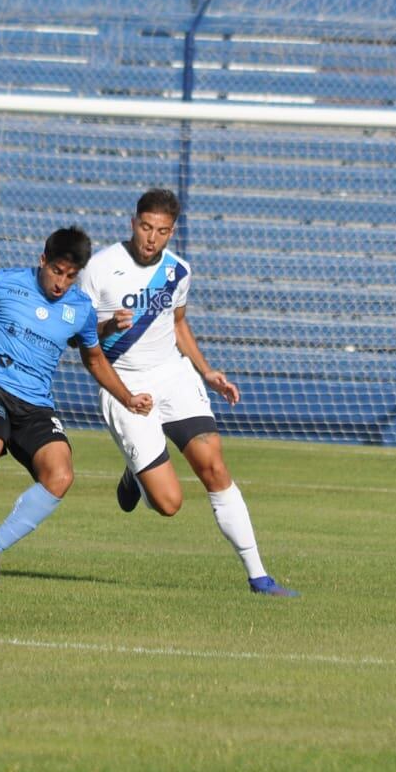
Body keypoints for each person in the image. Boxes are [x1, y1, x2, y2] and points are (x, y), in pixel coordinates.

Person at [78, 188, 298, 597]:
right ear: (133, 223)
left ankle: (259, 576)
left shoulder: (178, 271)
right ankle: (137, 473)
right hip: (125, 383)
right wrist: (108, 326)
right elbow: (79, 339)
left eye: (161, 231)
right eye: (145, 227)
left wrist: (207, 370)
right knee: (169, 503)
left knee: (213, 465)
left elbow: (178, 324)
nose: (151, 238)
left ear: (171, 232)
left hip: (173, 376)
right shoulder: (100, 268)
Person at [0, 225, 154, 580]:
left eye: (70, 276)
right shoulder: (4, 283)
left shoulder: (80, 308)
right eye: (56, 271)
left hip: (36, 402)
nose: (61, 283)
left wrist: (127, 397)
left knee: (61, 475)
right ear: (42, 260)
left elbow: (94, 357)